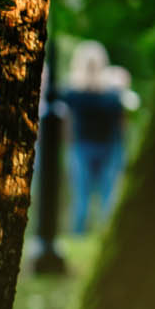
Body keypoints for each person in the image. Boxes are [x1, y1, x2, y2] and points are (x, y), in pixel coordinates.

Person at [60, 41, 137, 235]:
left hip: (96, 147)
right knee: (93, 198)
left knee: (93, 197)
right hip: (92, 147)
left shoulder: (76, 93)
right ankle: (91, 235)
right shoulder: (105, 94)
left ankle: (90, 235)